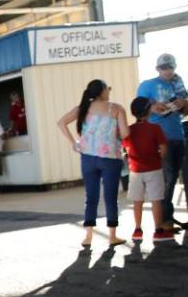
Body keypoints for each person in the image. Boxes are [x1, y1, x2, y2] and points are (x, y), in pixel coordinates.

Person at [56, 79, 130, 247]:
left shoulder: (82, 108)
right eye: (108, 88)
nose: (109, 91)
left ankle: (88, 236)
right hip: (110, 158)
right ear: (103, 91)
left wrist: (74, 143)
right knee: (110, 198)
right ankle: (112, 236)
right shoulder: (117, 108)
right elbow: (125, 134)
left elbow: (61, 123)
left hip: (88, 158)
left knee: (91, 197)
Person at [136, 53, 188, 232]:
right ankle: (163, 220)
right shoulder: (148, 85)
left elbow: (186, 112)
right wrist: (153, 107)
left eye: (171, 67)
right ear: (157, 69)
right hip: (159, 139)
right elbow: (138, 107)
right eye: (164, 68)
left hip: (178, 136)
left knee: (174, 179)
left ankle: (168, 217)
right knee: (166, 179)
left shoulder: (178, 84)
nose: (168, 71)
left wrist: (183, 104)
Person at [123, 96, 173, 242]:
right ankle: (158, 231)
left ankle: (137, 230)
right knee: (156, 200)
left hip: (135, 171)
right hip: (154, 169)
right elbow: (164, 150)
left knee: (137, 201)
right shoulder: (155, 129)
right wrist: (158, 157)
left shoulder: (129, 130)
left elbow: (126, 147)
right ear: (148, 111)